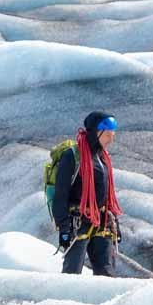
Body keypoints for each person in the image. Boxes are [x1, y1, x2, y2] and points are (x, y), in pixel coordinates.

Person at [53, 111, 123, 277]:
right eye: (107, 134)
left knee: (107, 273)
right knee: (72, 272)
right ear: (95, 132)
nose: (111, 138)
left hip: (102, 221)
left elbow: (107, 192)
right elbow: (60, 194)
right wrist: (64, 228)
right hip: (77, 223)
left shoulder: (103, 157)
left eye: (112, 134)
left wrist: (115, 222)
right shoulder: (72, 156)